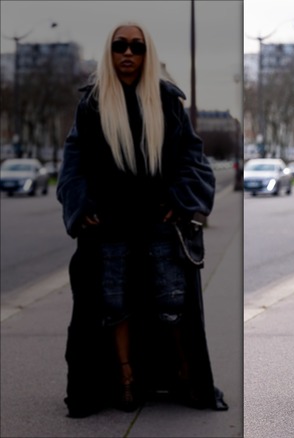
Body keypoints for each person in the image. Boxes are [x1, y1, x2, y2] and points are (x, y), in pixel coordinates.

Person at [57, 22, 227, 417]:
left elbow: (193, 159)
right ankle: (126, 378)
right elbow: (73, 164)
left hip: (159, 221)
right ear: (110, 53)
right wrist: (82, 208)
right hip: (110, 223)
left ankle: (188, 376)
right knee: (113, 305)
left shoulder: (167, 101)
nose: (128, 54)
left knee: (173, 303)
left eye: (136, 47)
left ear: (147, 54)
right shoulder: (93, 104)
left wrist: (181, 201)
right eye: (120, 46)